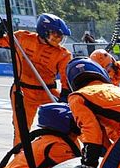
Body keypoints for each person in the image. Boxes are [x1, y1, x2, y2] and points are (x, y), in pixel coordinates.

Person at [8, 14, 72, 146]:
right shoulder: (22, 38)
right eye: (56, 35)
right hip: (23, 91)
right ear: (44, 31)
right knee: (21, 130)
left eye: (61, 36)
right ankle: (22, 161)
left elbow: (66, 78)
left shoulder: (63, 54)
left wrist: (65, 94)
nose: (58, 39)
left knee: (69, 122)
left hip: (47, 91)